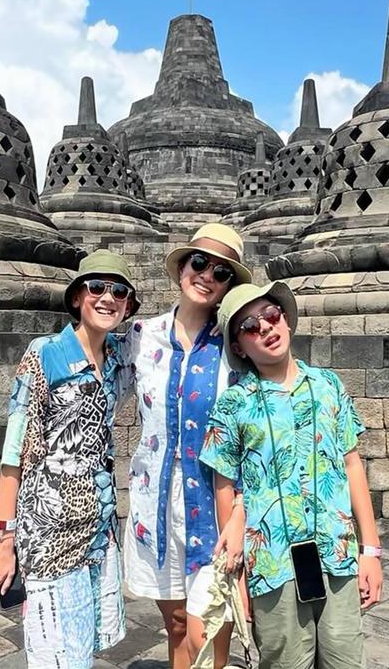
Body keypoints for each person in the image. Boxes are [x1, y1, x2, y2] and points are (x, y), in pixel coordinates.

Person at [201, 282, 384, 669]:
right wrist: (236, 579)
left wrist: (371, 551)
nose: (266, 328)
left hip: (336, 553)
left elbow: (352, 465)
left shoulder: (328, 385)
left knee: (345, 658)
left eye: (272, 315)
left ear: (285, 319)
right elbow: (225, 486)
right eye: (250, 326)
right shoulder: (234, 404)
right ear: (238, 346)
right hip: (272, 562)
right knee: (284, 660)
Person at [0, 249, 140, 669]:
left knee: (82, 648)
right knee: (57, 655)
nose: (108, 298)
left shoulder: (119, 359)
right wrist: (4, 541)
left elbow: (169, 331)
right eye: (97, 288)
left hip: (98, 532)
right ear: (76, 298)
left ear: (127, 306)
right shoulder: (45, 355)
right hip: (50, 535)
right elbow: (15, 454)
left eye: (120, 292)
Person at [121, 223, 251, 669]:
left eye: (221, 272)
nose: (207, 275)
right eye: (199, 263)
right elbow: (93, 383)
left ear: (229, 286)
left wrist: (242, 511)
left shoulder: (238, 348)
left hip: (215, 504)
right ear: (181, 268)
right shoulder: (141, 336)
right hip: (154, 502)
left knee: (209, 629)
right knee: (176, 623)